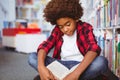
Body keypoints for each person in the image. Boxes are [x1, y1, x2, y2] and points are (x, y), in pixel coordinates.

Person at [28, 0, 120, 80]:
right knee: (32, 57)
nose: (65, 29)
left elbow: (94, 48)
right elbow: (45, 46)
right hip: (61, 65)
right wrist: (41, 67)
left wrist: (75, 74)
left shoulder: (85, 27)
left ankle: (60, 78)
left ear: (75, 18)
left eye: (68, 24)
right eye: (61, 27)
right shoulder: (57, 31)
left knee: (101, 62)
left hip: (80, 66)